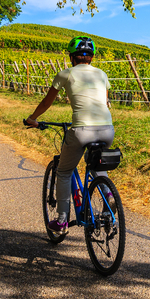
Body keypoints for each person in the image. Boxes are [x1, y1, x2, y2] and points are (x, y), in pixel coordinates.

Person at [25, 36, 113, 236]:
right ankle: (109, 196)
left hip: (82, 129)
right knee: (98, 166)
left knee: (64, 172)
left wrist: (32, 118)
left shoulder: (65, 74)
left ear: (72, 56)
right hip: (107, 129)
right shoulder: (101, 74)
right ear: (91, 57)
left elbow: (47, 103)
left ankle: (62, 220)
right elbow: (105, 101)